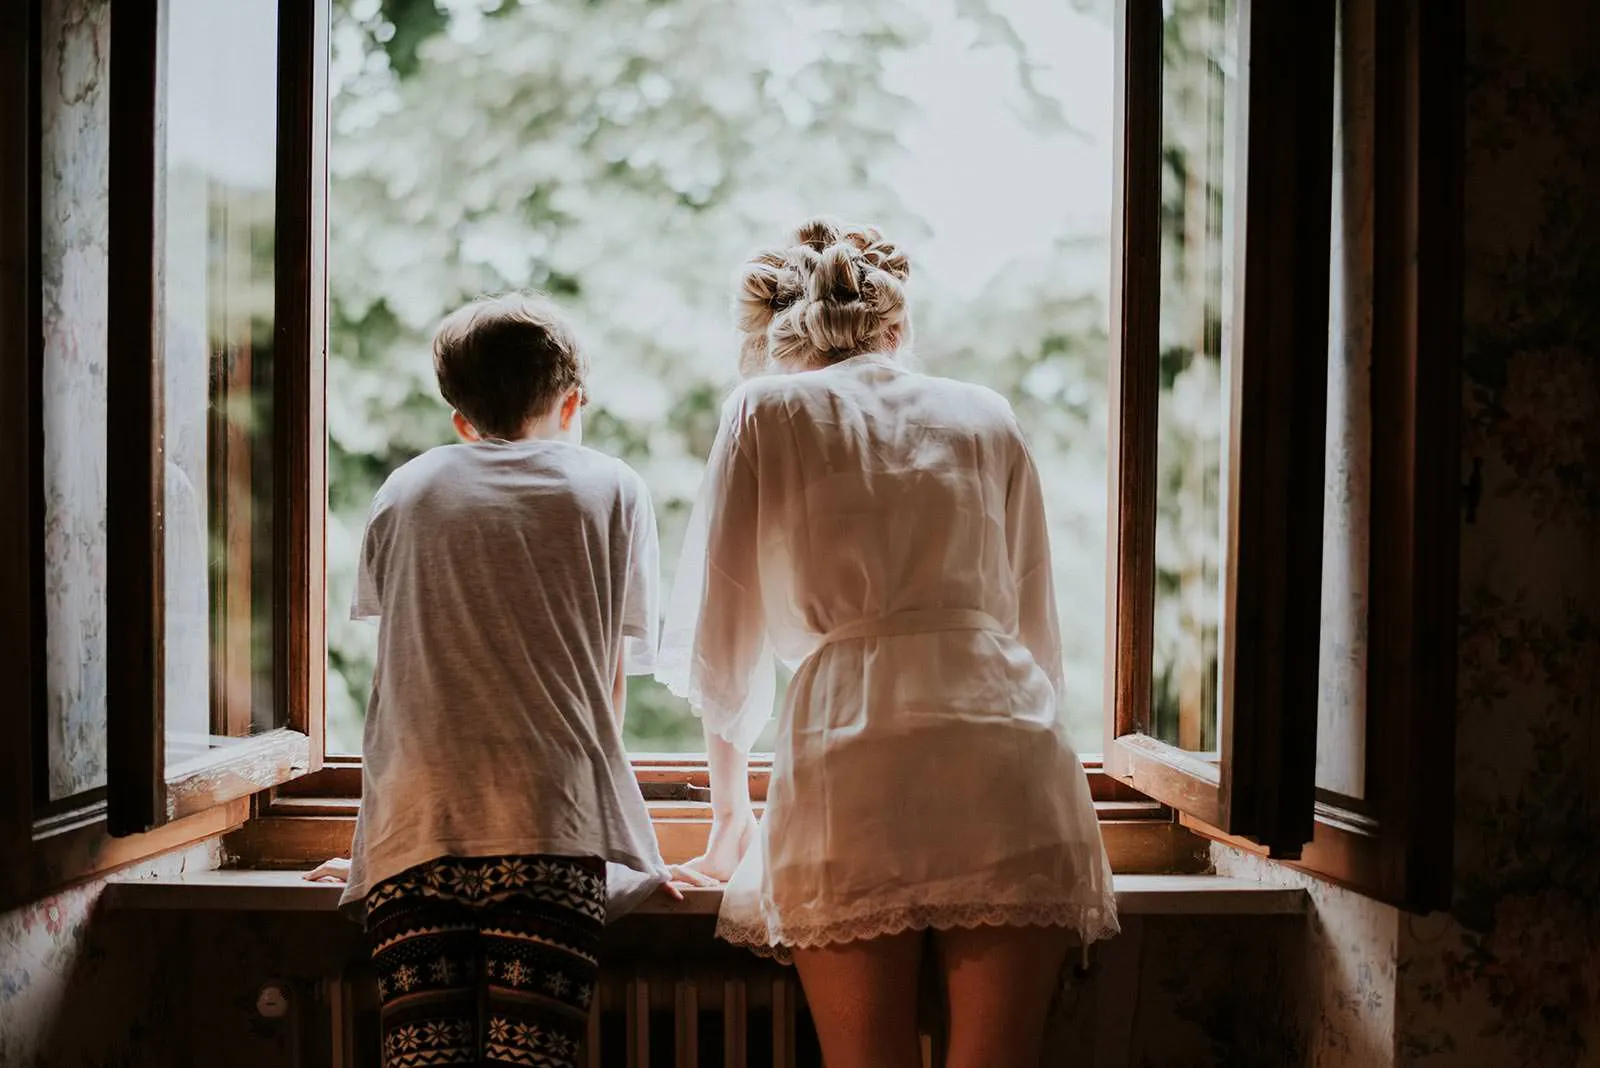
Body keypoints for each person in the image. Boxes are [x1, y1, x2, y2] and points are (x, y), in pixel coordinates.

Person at [659, 219, 1119, 1068]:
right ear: (897, 326)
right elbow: (1034, 628)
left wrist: (731, 819)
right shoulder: (986, 413)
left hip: (853, 749)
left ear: (773, 335)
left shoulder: (763, 409)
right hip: (1007, 745)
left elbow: (727, 643)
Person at [306, 293, 676, 1068]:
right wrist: (618, 834)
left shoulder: (405, 492)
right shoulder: (612, 489)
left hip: (417, 836)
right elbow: (606, 685)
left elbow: (401, 683)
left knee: (422, 1058)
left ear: (460, 417)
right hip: (550, 832)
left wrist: (370, 843)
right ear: (572, 403)